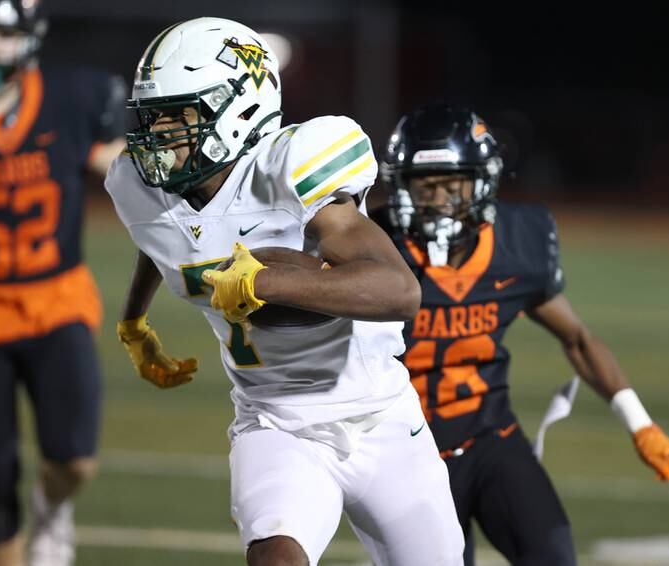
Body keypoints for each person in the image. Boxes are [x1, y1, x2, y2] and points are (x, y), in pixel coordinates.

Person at [105, 17, 464, 566]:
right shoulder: (138, 185)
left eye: (178, 116)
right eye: (153, 117)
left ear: (239, 108)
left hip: (381, 420)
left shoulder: (290, 168)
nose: (159, 134)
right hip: (273, 419)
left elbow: (397, 290)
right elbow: (161, 236)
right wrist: (134, 322)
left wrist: (261, 280)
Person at [376, 102, 669, 566]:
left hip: (491, 438)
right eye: (425, 187)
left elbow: (578, 339)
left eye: (451, 185)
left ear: (481, 182)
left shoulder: (515, 244)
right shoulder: (374, 247)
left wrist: (640, 424)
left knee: (553, 555)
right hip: (407, 453)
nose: (438, 201)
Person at [0, 1, 127, 565]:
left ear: (28, 38)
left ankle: (52, 508)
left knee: (74, 458)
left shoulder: (71, 97)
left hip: (56, 299)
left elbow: (116, 163)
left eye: (2, 34)